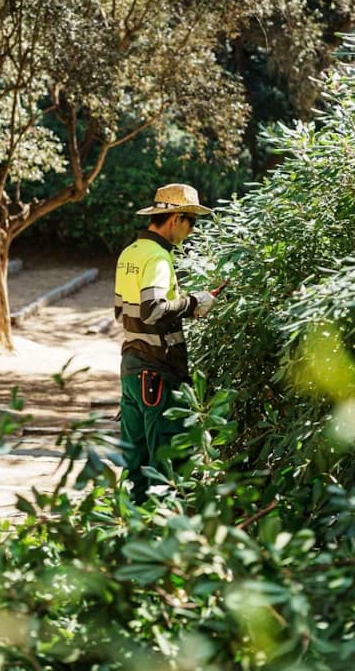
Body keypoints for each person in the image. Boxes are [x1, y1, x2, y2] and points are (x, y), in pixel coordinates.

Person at [114, 183, 218, 502]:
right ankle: (161, 540)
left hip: (132, 371)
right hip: (158, 373)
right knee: (166, 465)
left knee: (135, 466)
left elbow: (122, 311)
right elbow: (154, 309)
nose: (191, 230)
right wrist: (193, 302)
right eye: (192, 222)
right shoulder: (158, 257)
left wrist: (182, 311)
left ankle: (129, 535)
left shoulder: (129, 253)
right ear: (176, 218)